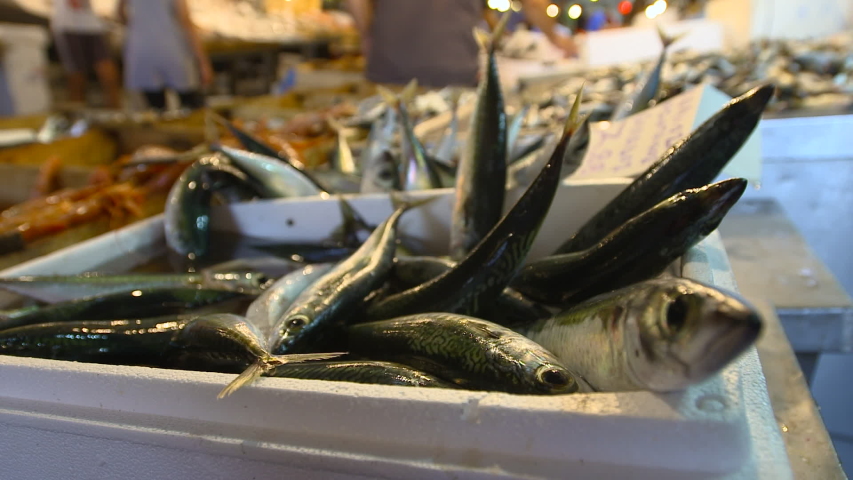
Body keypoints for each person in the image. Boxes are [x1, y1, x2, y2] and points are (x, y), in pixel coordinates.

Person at [344, 0, 578, 88]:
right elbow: (534, 4)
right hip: (453, 71)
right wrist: (556, 38)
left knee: (387, 161)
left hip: (389, 67)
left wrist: (368, 35)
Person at [116, 0, 213, 111]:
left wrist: (142, 27)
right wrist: (203, 61)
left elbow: (120, 14)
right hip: (172, 49)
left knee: (157, 110)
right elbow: (185, 20)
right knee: (193, 107)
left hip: (142, 50)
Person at [50, 0, 121, 109]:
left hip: (78, 26)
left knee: (78, 73)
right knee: (78, 73)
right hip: (77, 25)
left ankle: (115, 114)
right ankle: (112, 113)